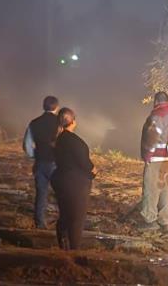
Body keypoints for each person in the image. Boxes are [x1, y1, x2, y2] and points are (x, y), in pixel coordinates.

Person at [51, 107, 96, 250]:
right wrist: (93, 171)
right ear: (73, 122)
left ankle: (63, 246)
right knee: (77, 218)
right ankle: (74, 250)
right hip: (76, 183)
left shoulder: (58, 139)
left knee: (65, 214)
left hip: (60, 180)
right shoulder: (76, 142)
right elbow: (84, 163)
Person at [139, 91, 168, 232]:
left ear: (156, 101)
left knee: (151, 189)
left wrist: (147, 155)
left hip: (156, 158)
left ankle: (150, 220)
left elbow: (152, 137)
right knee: (167, 190)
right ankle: (165, 221)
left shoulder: (157, 115)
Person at [23, 96, 60, 229]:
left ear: (43, 106)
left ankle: (40, 223)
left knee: (41, 193)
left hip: (40, 163)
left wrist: (35, 155)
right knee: (61, 193)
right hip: (57, 164)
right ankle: (62, 223)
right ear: (56, 107)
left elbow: (27, 146)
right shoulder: (60, 123)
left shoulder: (34, 123)